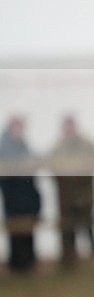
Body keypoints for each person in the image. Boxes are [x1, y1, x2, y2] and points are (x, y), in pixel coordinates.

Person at [49, 115, 94, 266]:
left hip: (85, 196)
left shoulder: (87, 144)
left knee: (88, 226)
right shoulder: (58, 147)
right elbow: (51, 166)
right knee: (68, 229)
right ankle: (69, 261)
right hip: (66, 198)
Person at [0, 116, 41, 273]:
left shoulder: (23, 144)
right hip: (14, 194)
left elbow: (35, 159)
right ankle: (17, 264)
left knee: (28, 228)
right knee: (15, 228)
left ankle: (28, 262)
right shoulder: (4, 146)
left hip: (26, 194)